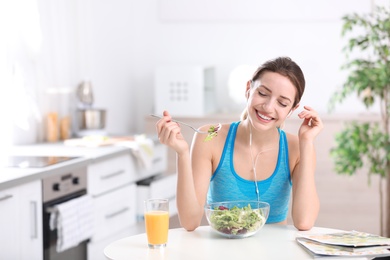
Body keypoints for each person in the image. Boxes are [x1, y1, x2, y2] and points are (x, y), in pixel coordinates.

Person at [155, 56, 323, 231]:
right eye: (263, 93)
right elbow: (190, 222)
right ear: (249, 89)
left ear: (292, 110)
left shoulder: (297, 147)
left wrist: (307, 142)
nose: (268, 106)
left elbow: (304, 221)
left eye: (282, 103)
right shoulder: (211, 138)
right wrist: (182, 153)